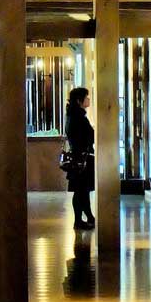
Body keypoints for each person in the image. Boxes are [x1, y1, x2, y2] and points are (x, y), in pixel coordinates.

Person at [64, 87, 95, 230]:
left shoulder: (73, 115)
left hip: (78, 158)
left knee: (82, 190)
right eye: (86, 97)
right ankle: (81, 219)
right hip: (81, 159)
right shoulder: (78, 118)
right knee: (82, 190)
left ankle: (86, 217)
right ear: (79, 100)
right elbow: (87, 137)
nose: (88, 99)